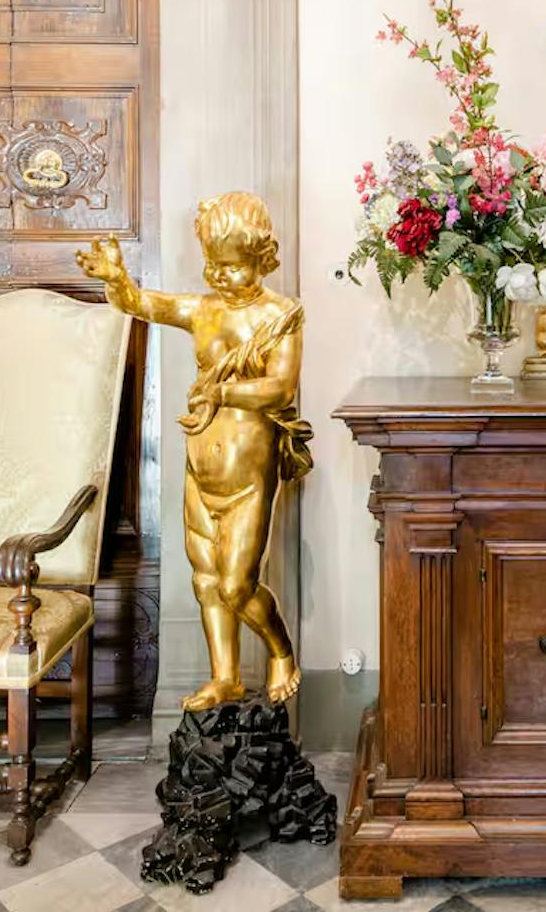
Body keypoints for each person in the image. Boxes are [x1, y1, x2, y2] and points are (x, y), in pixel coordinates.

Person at [78, 192, 311, 709]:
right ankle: (225, 676)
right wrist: (117, 280)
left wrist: (220, 392)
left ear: (262, 258)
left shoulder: (281, 314)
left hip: (248, 474)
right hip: (200, 470)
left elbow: (280, 388)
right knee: (205, 579)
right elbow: (144, 305)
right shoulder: (203, 310)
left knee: (237, 584)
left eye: (233, 266)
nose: (220, 277)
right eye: (213, 265)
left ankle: (281, 652)